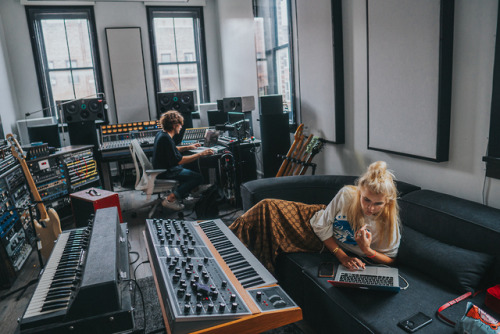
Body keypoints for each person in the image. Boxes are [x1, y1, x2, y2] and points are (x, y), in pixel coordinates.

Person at [229, 161, 400, 273]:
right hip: (315, 220)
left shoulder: (388, 225)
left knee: (268, 226)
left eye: (378, 204)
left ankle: (242, 271)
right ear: (360, 193)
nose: (370, 208)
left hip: (322, 241)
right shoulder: (348, 194)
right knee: (266, 208)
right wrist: (341, 255)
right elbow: (321, 224)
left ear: (388, 202)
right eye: (366, 200)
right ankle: (219, 246)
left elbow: (390, 260)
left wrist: (366, 251)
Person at [152, 110, 214, 211]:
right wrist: (200, 154)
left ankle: (192, 190)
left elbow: (173, 149)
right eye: (180, 124)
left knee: (192, 164)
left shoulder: (162, 134)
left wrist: (188, 147)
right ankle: (171, 198)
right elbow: (180, 161)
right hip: (166, 171)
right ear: (174, 125)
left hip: (164, 168)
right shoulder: (165, 138)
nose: (181, 127)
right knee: (198, 178)